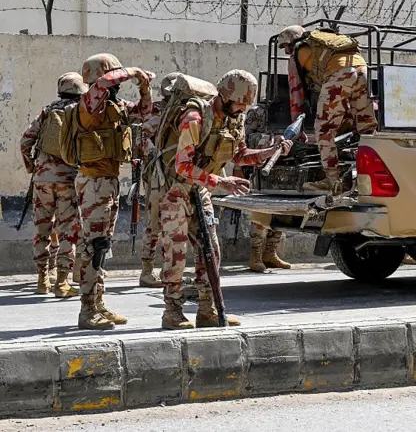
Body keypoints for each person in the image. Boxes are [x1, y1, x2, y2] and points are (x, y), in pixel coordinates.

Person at [156, 70, 292, 330]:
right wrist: (221, 182)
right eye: (240, 103)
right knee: (176, 253)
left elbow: (240, 155)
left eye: (246, 104)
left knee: (211, 251)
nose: (243, 109)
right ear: (225, 96)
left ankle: (207, 310)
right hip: (176, 190)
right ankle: (172, 312)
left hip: (202, 190)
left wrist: (270, 151)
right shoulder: (195, 118)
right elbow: (182, 166)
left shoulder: (234, 120)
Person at [71, 54, 153, 329]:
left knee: (102, 245)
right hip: (94, 182)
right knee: (93, 245)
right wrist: (133, 71)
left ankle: (98, 303)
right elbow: (104, 83)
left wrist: (144, 87)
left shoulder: (113, 106)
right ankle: (87, 310)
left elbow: (144, 112)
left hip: (109, 181)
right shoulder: (89, 103)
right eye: (116, 77)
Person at [278, 25, 377, 194]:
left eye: (285, 46)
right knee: (366, 128)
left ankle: (332, 181)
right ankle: (371, 177)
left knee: (324, 130)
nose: (286, 51)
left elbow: (296, 94)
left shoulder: (297, 53)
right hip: (362, 68)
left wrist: (297, 127)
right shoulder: (324, 42)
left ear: (291, 42)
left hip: (339, 72)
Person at [20, 72, 88, 297]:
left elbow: (25, 142)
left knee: (42, 229)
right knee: (68, 231)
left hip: (42, 180)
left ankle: (42, 280)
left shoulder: (47, 111)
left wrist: (33, 167)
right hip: (69, 180)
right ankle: (62, 282)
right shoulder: (80, 113)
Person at [138, 72, 181, 288]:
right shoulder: (158, 112)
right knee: (156, 224)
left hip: (175, 175)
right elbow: (144, 143)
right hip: (159, 177)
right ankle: (148, 272)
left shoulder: (181, 111)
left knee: (171, 226)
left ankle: (167, 270)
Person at [238, 102, 292, 272]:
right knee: (261, 212)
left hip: (287, 167)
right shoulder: (257, 111)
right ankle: (255, 254)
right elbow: (246, 140)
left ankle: (270, 253)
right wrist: (272, 141)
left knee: (282, 211)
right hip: (262, 168)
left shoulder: (298, 112)